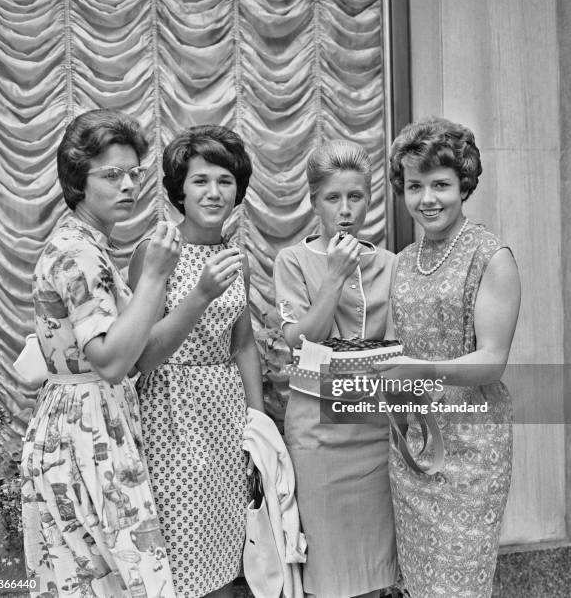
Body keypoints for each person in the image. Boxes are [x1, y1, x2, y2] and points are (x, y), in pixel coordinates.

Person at [20, 109, 180, 597]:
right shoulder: (77, 253)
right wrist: (154, 277)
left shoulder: (92, 247)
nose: (128, 184)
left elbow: (136, 355)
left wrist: (194, 298)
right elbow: (112, 363)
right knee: (134, 580)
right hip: (85, 429)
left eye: (134, 173)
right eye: (112, 174)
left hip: (87, 422)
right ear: (77, 181)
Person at [384, 117, 521, 597]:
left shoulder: (490, 256)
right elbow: (397, 346)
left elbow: (492, 361)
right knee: (421, 583)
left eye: (440, 184)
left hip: (472, 451)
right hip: (412, 445)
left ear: (464, 184)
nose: (427, 199)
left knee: (458, 584)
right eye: (415, 186)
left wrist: (422, 369)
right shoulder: (403, 260)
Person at [129, 125, 265, 598]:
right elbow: (141, 355)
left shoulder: (236, 257)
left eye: (225, 180)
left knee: (227, 545)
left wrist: (258, 425)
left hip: (224, 412)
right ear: (178, 191)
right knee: (179, 545)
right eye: (200, 180)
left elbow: (243, 345)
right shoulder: (156, 251)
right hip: (170, 411)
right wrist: (202, 294)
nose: (214, 192)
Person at [273, 140, 398, 598]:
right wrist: (335, 276)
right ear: (314, 201)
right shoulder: (292, 260)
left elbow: (399, 347)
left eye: (356, 197)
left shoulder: (390, 264)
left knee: (380, 574)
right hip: (319, 437)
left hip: (377, 431)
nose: (345, 210)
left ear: (370, 198)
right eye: (333, 198)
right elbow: (302, 342)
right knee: (326, 574)